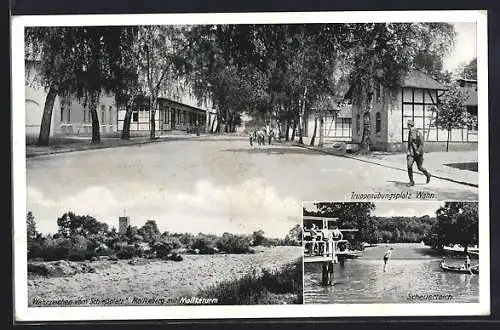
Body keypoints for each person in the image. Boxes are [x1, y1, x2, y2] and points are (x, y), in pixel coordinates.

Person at [406, 120, 431, 186]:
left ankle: (428, 174)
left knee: (420, 168)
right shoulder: (410, 132)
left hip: (418, 153)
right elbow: (410, 143)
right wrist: (408, 151)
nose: (408, 127)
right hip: (411, 153)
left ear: (410, 125)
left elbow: (422, 143)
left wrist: (418, 151)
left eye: (408, 125)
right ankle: (411, 181)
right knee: (409, 166)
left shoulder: (418, 133)